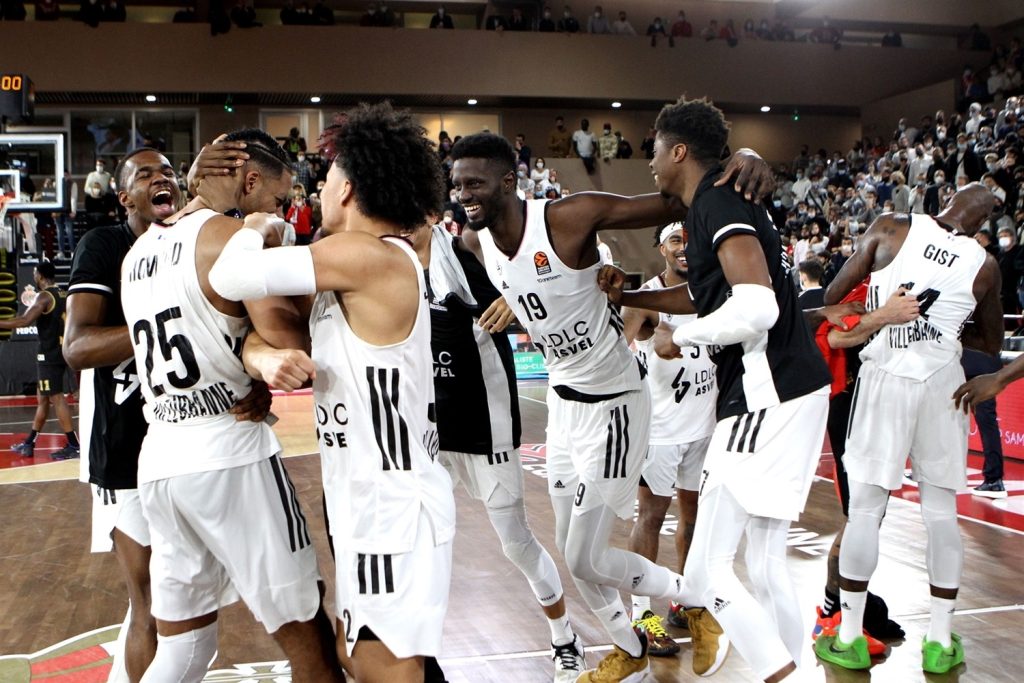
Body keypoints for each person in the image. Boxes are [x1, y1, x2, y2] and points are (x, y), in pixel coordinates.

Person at [449, 129, 774, 681]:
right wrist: (516, 299)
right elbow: (535, 287)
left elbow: (676, 198)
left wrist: (743, 158)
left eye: (475, 184)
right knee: (571, 549)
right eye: (457, 185)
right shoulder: (475, 242)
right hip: (564, 405)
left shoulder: (568, 217)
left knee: (584, 556)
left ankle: (696, 599)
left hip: (613, 403)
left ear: (508, 182)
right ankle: (630, 647)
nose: (464, 195)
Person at [209, 103, 456, 683]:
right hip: (366, 496)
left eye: (329, 176)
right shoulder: (355, 266)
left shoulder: (367, 255)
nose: (320, 188)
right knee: (359, 655)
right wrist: (260, 355)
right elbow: (279, 332)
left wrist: (257, 226)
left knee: (380, 665)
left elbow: (229, 277)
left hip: (390, 501)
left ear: (348, 188)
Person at [599, 96, 835, 682]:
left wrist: (683, 335)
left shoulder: (715, 202)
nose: (650, 161)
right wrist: (634, 297)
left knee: (705, 572)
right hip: (794, 388)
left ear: (679, 151)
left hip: (764, 395)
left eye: (655, 149)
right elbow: (706, 294)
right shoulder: (726, 200)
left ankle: (777, 670)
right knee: (765, 561)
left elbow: (755, 308)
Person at [118, 130, 342, 683]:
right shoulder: (231, 238)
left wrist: (250, 357)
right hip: (230, 454)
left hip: (161, 458)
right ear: (250, 181)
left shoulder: (137, 253)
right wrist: (273, 242)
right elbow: (293, 343)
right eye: (278, 198)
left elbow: (215, 335)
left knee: (183, 649)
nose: (281, 210)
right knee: (309, 638)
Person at [816, 183, 1003, 674]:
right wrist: (946, 326)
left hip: (885, 374)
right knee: (941, 514)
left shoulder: (891, 226)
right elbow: (991, 340)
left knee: (866, 510)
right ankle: (939, 642)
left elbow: (833, 297)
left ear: (947, 200)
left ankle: (849, 636)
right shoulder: (984, 265)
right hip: (943, 382)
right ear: (982, 224)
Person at [401, 219, 586, 682]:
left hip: (485, 424)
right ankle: (417, 655)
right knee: (417, 542)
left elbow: (534, 295)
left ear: (429, 215)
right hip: (430, 427)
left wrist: (517, 301)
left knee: (516, 544)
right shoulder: (392, 262)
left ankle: (565, 637)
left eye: (410, 217)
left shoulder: (465, 256)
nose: (400, 226)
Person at [621, 223, 717, 661]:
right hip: (659, 432)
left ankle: (687, 600)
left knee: (695, 519)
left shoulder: (715, 290)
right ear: (661, 248)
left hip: (705, 427)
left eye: (690, 240)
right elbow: (617, 350)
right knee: (651, 517)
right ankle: (643, 613)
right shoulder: (647, 300)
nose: (684, 248)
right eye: (675, 240)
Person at [3, 262, 79, 461]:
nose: (34, 276)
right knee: (43, 399)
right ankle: (29, 442)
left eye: (35, 273)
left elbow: (24, 321)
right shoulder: (64, 293)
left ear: (40, 276)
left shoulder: (44, 296)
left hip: (49, 355)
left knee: (57, 398)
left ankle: (74, 444)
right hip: (62, 350)